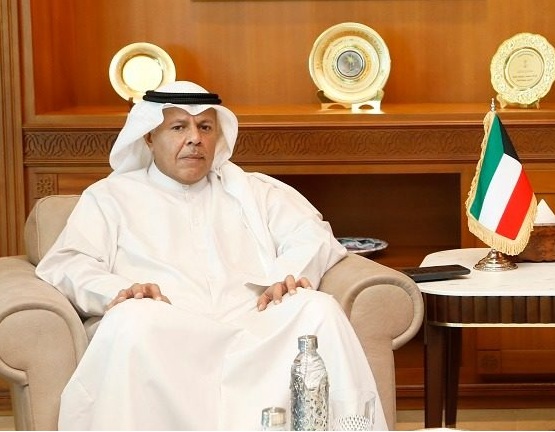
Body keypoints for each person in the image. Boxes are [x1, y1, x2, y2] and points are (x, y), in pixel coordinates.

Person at [36, 81, 388, 431]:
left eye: (205, 127)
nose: (195, 138)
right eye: (179, 127)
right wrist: (120, 291)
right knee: (131, 320)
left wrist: (284, 277)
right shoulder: (110, 197)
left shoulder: (252, 190)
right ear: (149, 137)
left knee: (318, 308)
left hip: (252, 325)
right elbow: (69, 261)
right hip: (166, 330)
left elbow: (311, 235)